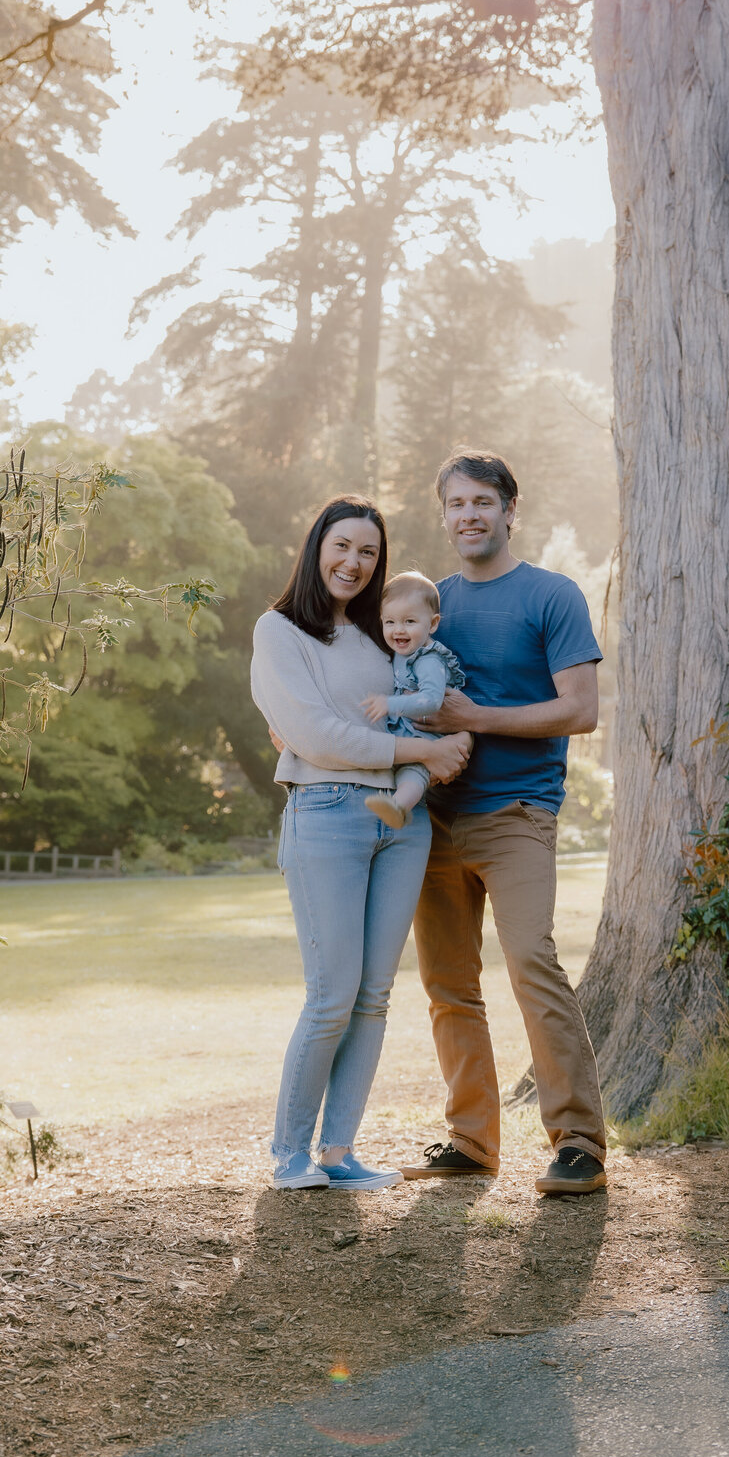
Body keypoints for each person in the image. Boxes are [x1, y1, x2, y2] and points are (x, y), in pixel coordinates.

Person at [399, 450, 609, 1197]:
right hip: (436, 821)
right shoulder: (432, 603)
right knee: (449, 986)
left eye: (482, 501)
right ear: (445, 514)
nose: (469, 515)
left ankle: (579, 1142)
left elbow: (580, 710)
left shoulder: (550, 595)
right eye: (455, 504)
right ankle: (470, 1140)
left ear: (510, 510)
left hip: (519, 812)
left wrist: (478, 718)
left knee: (531, 965)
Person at [250, 496, 471, 1193]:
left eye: (369, 552)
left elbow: (430, 703)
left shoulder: (386, 636)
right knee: (332, 995)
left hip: (402, 827)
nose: (354, 562)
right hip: (326, 816)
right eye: (342, 546)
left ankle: (338, 1152)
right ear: (318, 546)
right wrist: (418, 754)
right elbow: (315, 737)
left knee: (373, 996)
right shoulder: (281, 631)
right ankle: (289, 1156)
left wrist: (441, 747)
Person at [363, 570, 467, 832]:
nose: (398, 630)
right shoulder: (399, 651)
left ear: (432, 624)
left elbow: (432, 701)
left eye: (409, 621)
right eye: (390, 622)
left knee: (414, 772)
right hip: (404, 733)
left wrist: (390, 705)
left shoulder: (428, 659)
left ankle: (398, 807)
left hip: (427, 735)